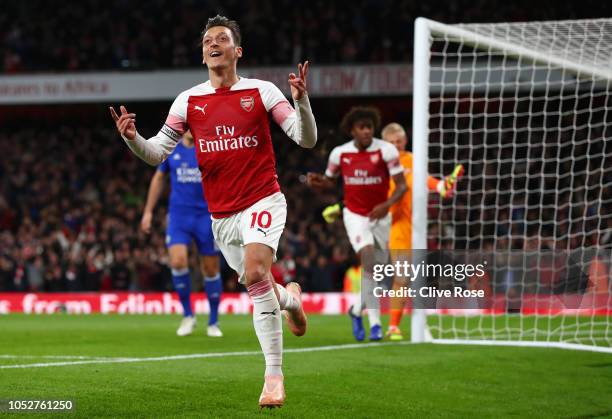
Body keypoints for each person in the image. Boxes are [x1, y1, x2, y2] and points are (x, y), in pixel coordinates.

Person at [110, 15, 316, 408]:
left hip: (263, 198)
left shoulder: (263, 91)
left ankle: (273, 378)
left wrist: (301, 102)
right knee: (261, 287)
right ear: (203, 53)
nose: (213, 44)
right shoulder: (188, 101)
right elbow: (156, 154)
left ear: (237, 51)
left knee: (255, 273)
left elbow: (306, 140)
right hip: (221, 216)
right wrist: (133, 138)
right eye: (207, 40)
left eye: (222, 39)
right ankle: (291, 300)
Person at [307, 107, 407, 342]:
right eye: (361, 127)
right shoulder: (340, 154)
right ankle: (375, 325)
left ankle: (354, 311)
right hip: (356, 215)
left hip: (381, 215)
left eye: (369, 127)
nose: (366, 131)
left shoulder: (386, 150)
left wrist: (386, 205)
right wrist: (318, 182)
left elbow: (401, 186)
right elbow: (330, 182)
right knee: (370, 261)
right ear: (352, 130)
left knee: (379, 271)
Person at [380, 122, 463, 340]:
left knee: (418, 279)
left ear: (405, 140)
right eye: (392, 143)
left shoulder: (412, 159)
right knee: (403, 277)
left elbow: (421, 180)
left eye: (399, 142)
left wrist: (435, 186)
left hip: (417, 226)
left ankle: (419, 324)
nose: (397, 146)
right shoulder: (381, 164)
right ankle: (393, 326)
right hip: (395, 226)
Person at [140, 130, 223, 338]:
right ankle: (188, 315)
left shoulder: (209, 147)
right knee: (177, 261)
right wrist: (148, 211)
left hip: (206, 215)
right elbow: (158, 179)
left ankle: (213, 321)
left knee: (211, 268)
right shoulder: (171, 150)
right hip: (179, 216)